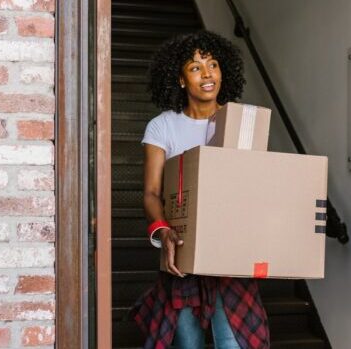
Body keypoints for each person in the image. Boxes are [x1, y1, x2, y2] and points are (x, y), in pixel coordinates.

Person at [129, 31, 270, 349]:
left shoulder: (241, 122)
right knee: (187, 345)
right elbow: (151, 192)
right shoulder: (162, 126)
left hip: (230, 254)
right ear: (179, 79)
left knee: (232, 344)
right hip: (183, 254)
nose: (207, 74)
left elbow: (257, 188)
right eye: (195, 67)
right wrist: (162, 230)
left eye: (214, 65)